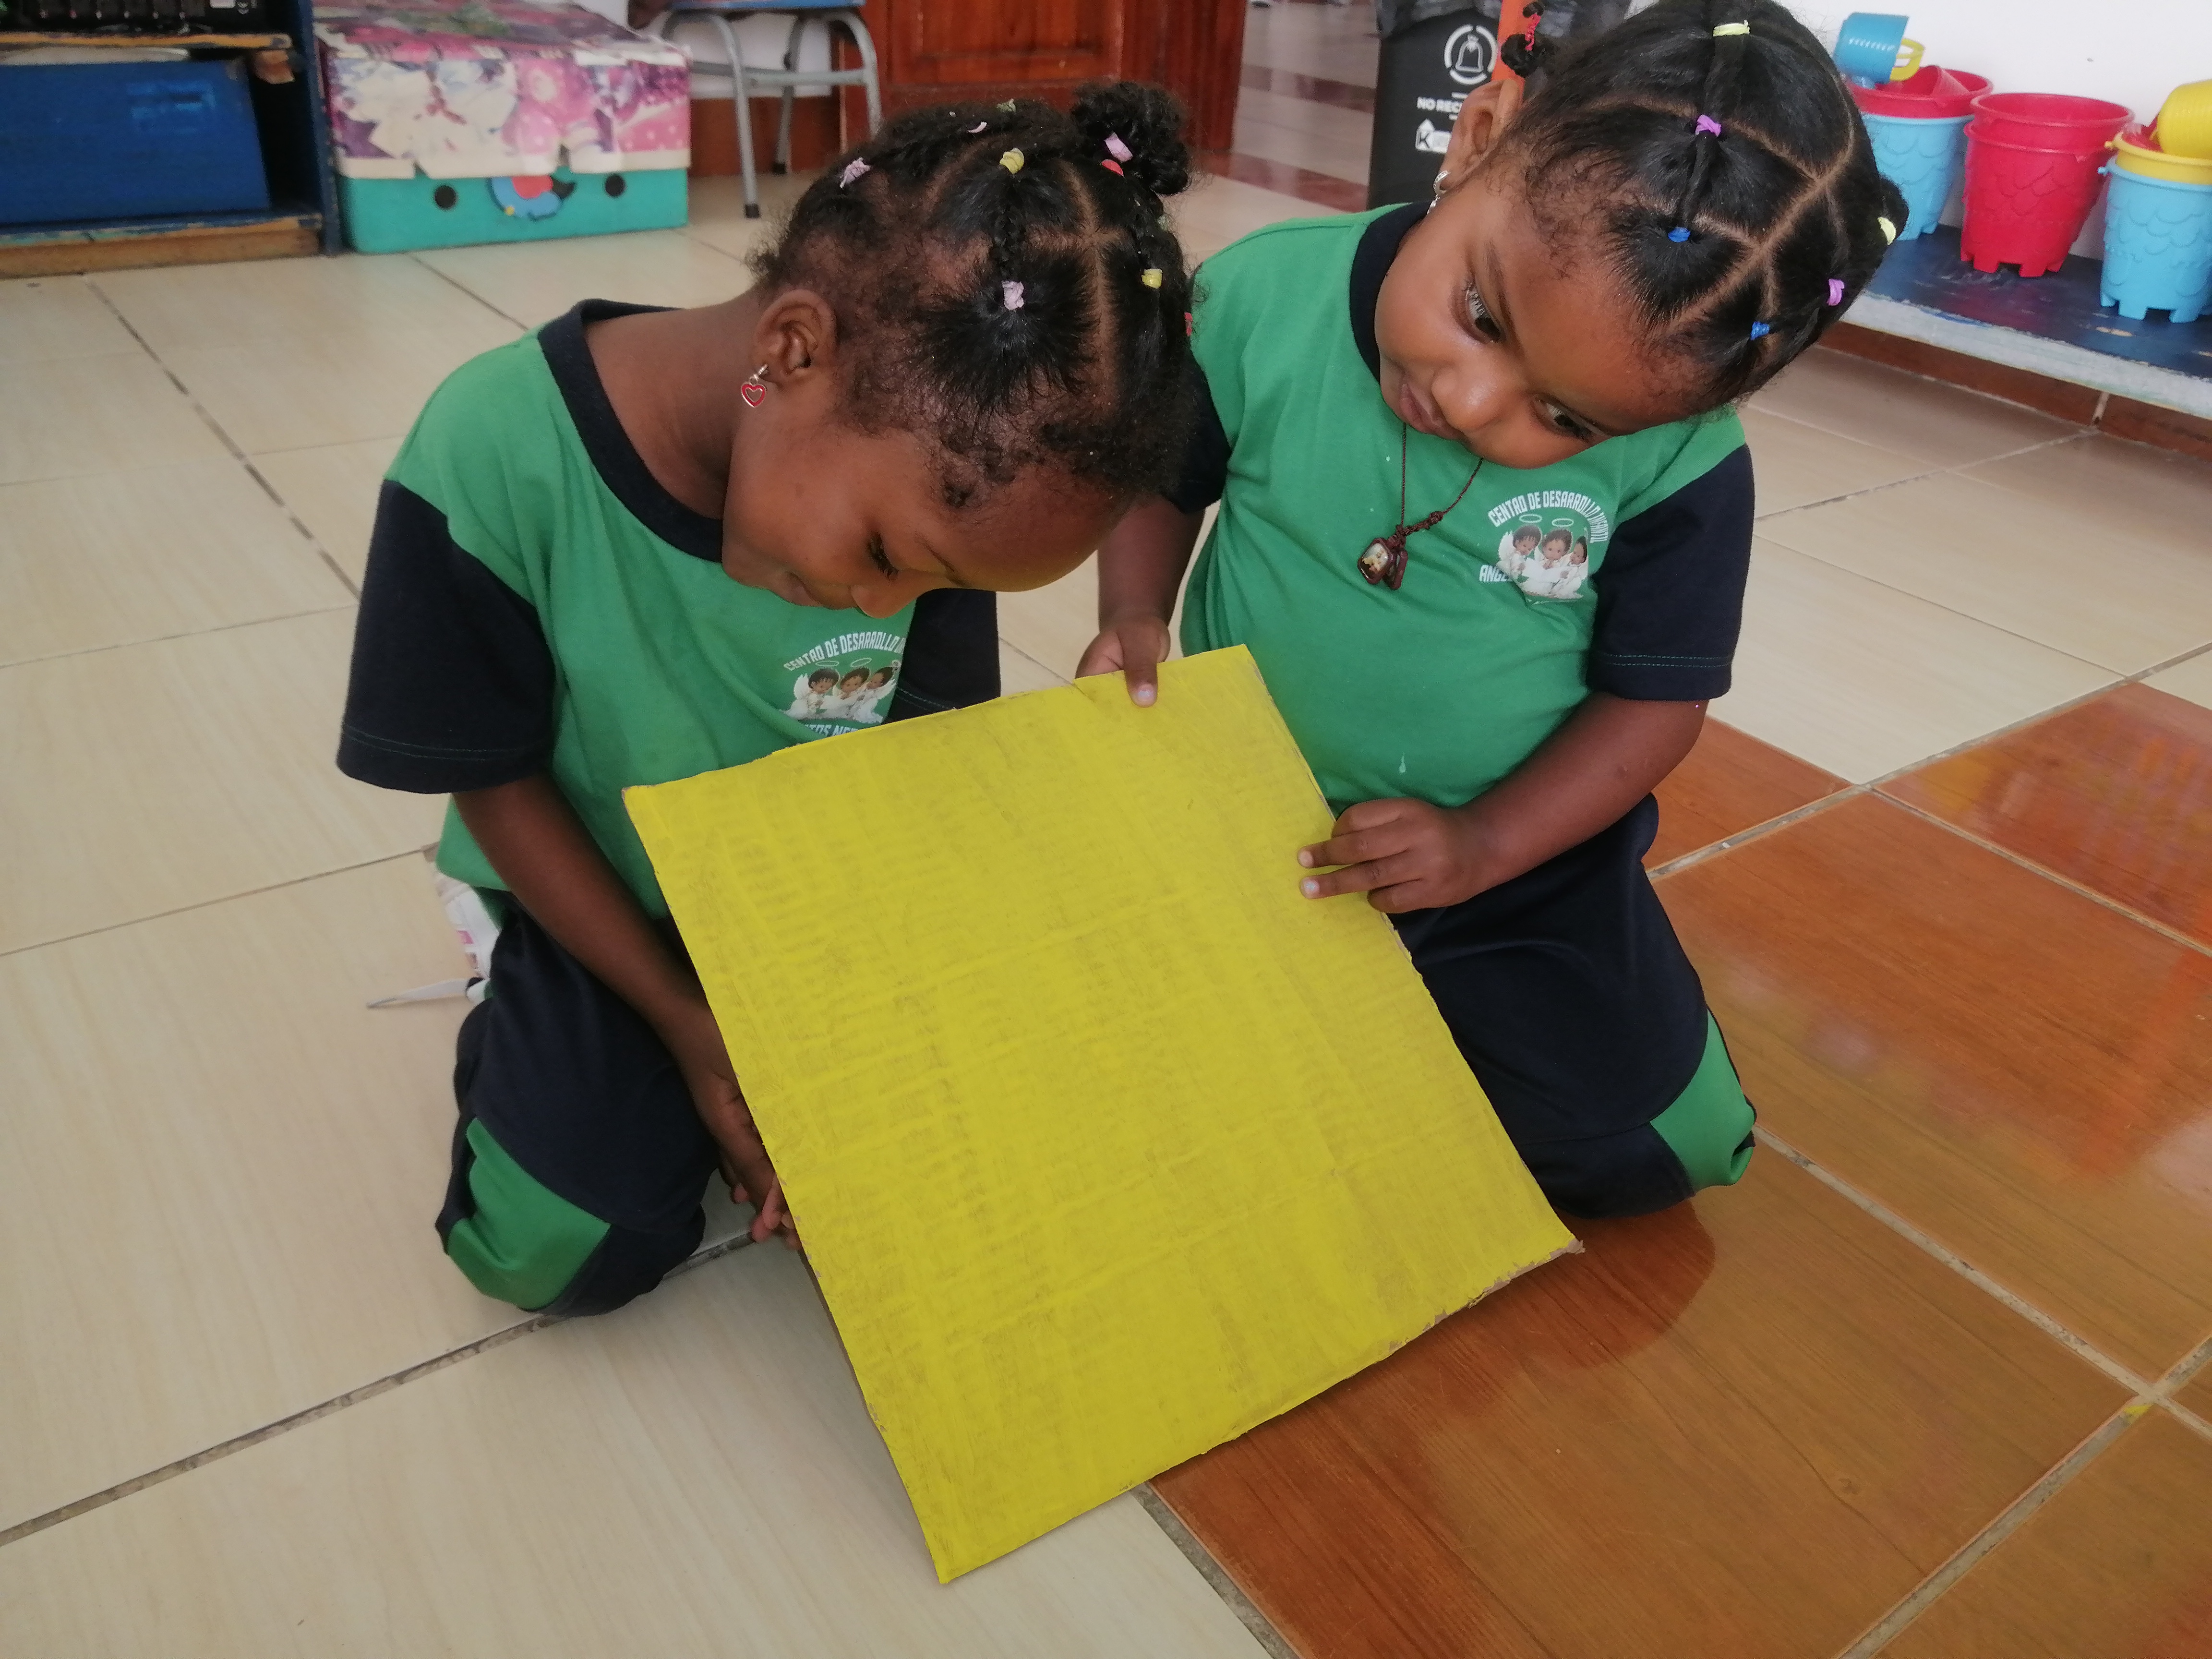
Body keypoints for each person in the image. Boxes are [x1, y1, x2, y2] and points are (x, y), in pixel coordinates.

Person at [337, 84, 1197, 1315]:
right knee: (558, 1246)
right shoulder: (488, 451)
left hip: (818, 896)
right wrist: (693, 1027)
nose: (881, 607)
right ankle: (509, 979)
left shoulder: (931, 514)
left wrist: (853, 1060)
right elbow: (494, 776)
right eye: (888, 558)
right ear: (793, 351)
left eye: (938, 587)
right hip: (601, 897)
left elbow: (918, 785)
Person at [1081, 0, 1907, 1219]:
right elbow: (1162, 480)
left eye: (1565, 420)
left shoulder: (1685, 461)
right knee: (1082, 1025)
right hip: (1228, 802)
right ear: (1480, 138)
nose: (1471, 404)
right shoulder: (1263, 293)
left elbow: (1653, 706)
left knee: (1650, 1148)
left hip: (1509, 864)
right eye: (1482, 316)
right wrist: (1135, 614)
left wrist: (1485, 847)